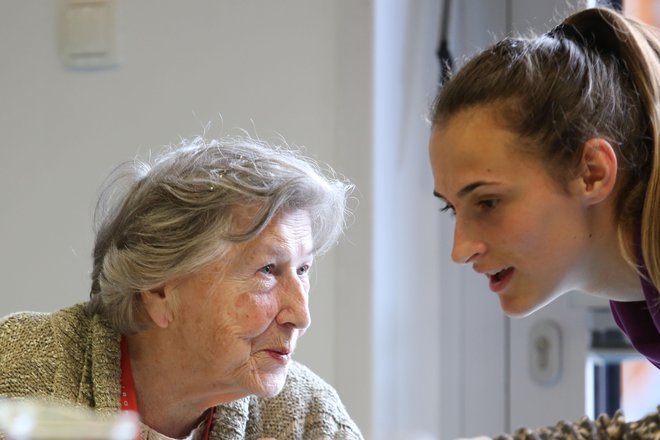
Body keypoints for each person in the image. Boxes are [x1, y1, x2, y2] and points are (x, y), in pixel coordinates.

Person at [0, 134, 363, 440]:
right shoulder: (18, 370)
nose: (301, 315)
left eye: (303, 270)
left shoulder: (308, 418)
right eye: (267, 270)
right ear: (159, 289)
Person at [428, 6, 660, 440]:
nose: (461, 250)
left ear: (592, 171)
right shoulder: (636, 293)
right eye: (452, 209)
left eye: (489, 202)